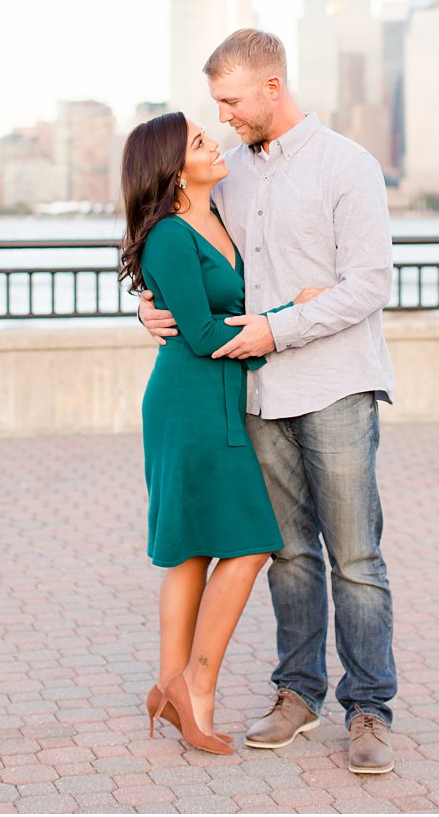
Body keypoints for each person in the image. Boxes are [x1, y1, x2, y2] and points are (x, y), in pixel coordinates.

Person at [139, 28, 399, 774]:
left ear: (271, 89)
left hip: (336, 385)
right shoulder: (232, 178)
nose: (223, 117)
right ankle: (298, 694)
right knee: (287, 556)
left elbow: (368, 284)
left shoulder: (348, 165)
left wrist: (278, 327)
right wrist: (146, 308)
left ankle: (371, 708)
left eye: (231, 101)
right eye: (215, 104)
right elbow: (179, 251)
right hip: (257, 394)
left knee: (356, 557)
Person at [119, 112, 297, 754]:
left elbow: (208, 307)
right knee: (248, 545)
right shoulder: (169, 235)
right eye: (199, 142)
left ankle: (176, 690)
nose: (214, 143)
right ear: (172, 169)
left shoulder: (218, 216)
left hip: (219, 401)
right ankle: (195, 687)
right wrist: (289, 321)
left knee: (197, 547)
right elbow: (197, 333)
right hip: (189, 406)